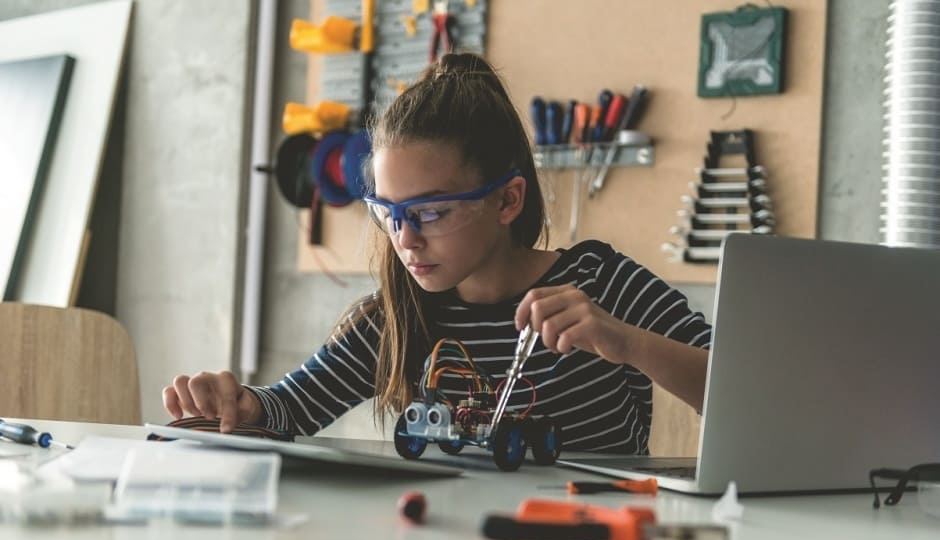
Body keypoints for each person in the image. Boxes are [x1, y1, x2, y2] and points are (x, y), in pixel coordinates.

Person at [163, 52, 711, 455]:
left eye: (431, 212)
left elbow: (740, 393)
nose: (405, 237)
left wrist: (627, 342)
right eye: (388, 212)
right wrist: (236, 405)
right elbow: (291, 409)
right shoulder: (403, 315)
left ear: (507, 200)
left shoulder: (599, 283)